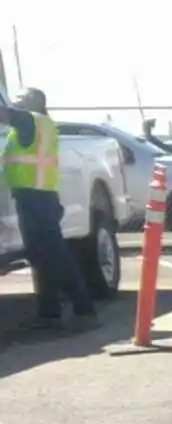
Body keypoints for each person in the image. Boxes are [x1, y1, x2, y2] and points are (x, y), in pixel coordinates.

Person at [3, 88, 99, 332]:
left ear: (33, 102)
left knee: (54, 256)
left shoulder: (30, 120)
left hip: (36, 200)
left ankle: (83, 309)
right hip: (37, 198)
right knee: (42, 256)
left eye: (20, 99)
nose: (15, 102)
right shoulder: (37, 125)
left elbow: (4, 114)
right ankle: (50, 313)